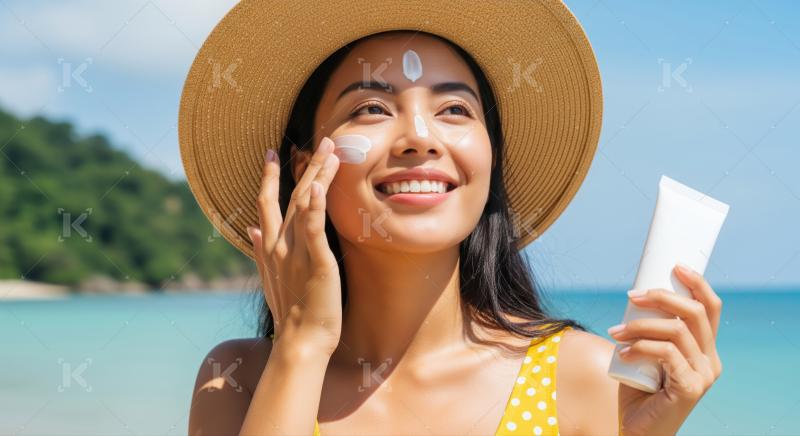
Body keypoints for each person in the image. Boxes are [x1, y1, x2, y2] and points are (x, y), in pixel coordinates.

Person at [180, 3, 723, 435]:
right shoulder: (236, 383)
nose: (420, 137)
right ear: (304, 169)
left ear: (489, 158)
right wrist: (300, 348)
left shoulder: (584, 380)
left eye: (455, 110)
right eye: (371, 107)